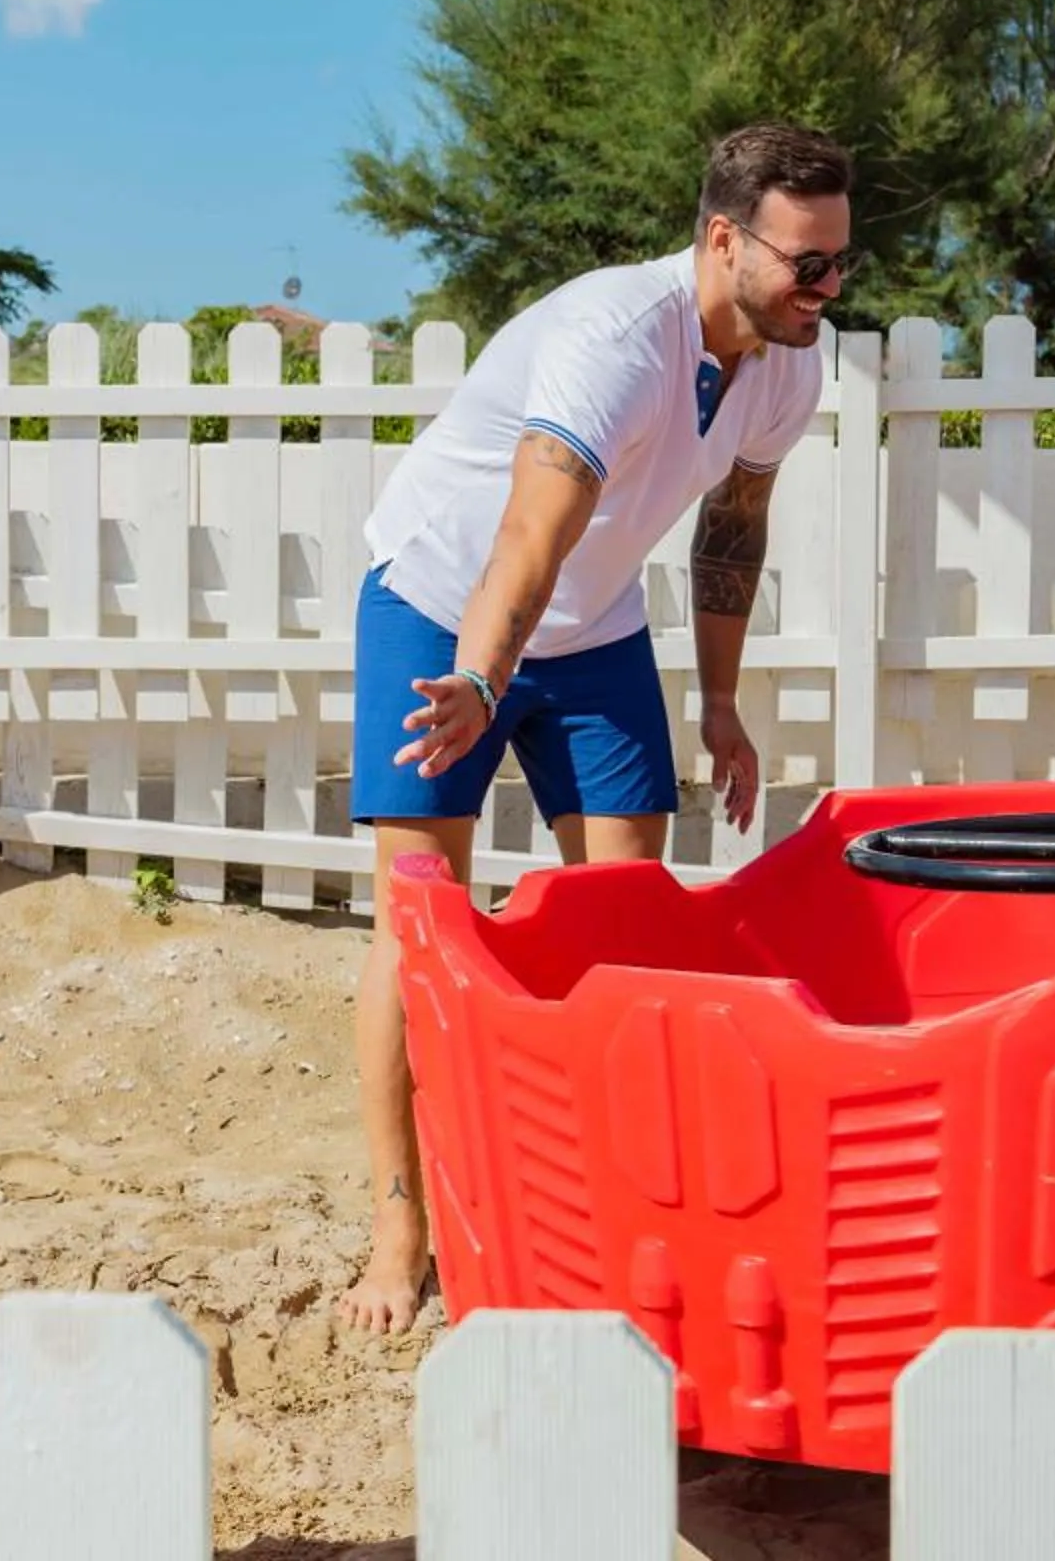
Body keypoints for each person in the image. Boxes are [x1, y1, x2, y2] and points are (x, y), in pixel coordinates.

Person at [337, 121, 861, 1334]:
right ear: (724, 239)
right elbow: (528, 536)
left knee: (630, 919)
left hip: (591, 628)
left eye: (844, 262)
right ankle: (398, 1222)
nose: (829, 290)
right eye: (808, 263)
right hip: (440, 609)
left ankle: (614, 1197)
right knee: (422, 916)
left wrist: (719, 700)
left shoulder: (788, 360)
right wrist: (477, 673)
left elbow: (733, 530)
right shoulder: (613, 341)